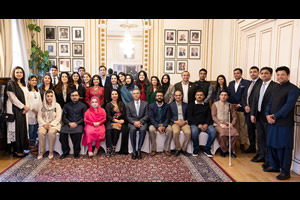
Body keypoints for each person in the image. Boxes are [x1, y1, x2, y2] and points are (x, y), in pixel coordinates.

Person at [264, 66, 299, 180]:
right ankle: (275, 166)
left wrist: (275, 116)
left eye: (282, 74)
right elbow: (269, 103)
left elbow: (288, 106)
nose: (280, 77)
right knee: (271, 146)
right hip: (272, 122)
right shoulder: (276, 88)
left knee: (284, 148)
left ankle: (285, 171)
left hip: (284, 124)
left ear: (288, 75)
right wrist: (267, 114)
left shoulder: (294, 89)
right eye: (278, 75)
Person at [250, 67, 279, 167]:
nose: (263, 75)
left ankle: (268, 160)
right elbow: (254, 101)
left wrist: (272, 116)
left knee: (268, 139)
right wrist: (253, 114)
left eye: (266, 73)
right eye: (262, 73)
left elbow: (276, 103)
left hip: (268, 117)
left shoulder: (275, 86)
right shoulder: (258, 85)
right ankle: (261, 155)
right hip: (258, 116)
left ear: (271, 75)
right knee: (261, 137)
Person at [6, 66, 30, 157]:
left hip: (24, 111)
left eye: (21, 72)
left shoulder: (24, 85)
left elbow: (27, 98)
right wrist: (23, 107)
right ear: (14, 73)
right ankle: (17, 150)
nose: (19, 74)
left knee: (22, 130)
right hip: (15, 110)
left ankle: (22, 149)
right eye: (17, 72)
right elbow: (13, 98)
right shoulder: (11, 84)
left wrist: (27, 108)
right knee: (16, 130)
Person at [187, 90, 217, 157]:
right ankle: (196, 148)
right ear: (195, 96)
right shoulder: (191, 105)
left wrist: (206, 124)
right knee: (194, 132)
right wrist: (198, 124)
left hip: (206, 124)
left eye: (201, 95)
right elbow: (190, 117)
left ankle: (207, 148)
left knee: (213, 132)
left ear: (203, 96)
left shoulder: (206, 105)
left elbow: (209, 116)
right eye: (198, 95)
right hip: (195, 124)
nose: (199, 96)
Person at [59, 89, 87, 159]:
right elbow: (64, 117)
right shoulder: (66, 105)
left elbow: (85, 117)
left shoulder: (83, 106)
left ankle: (76, 152)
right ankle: (65, 151)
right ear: (70, 96)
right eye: (72, 95)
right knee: (62, 133)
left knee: (78, 133)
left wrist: (77, 123)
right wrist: (69, 123)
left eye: (76, 95)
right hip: (68, 124)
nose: (74, 97)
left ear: (79, 96)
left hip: (79, 124)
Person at [227, 68, 250, 152]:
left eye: (237, 73)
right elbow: (228, 95)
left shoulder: (246, 83)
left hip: (241, 107)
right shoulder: (231, 83)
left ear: (241, 74)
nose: (236, 75)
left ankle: (243, 143)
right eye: (235, 73)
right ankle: (234, 143)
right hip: (232, 107)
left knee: (242, 126)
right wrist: (231, 104)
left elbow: (246, 95)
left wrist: (240, 104)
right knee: (234, 125)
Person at [211, 91, 239, 158]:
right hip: (218, 124)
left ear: (227, 97)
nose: (223, 96)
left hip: (228, 124)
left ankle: (231, 150)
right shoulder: (215, 104)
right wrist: (220, 124)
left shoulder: (230, 105)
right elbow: (213, 116)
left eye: (225, 95)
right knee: (222, 134)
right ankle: (224, 150)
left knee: (236, 134)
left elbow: (234, 116)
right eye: (222, 95)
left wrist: (232, 124)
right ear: (219, 96)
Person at [241, 66, 262, 154]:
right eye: (251, 72)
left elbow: (258, 99)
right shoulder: (249, 83)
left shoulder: (261, 83)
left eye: (254, 72)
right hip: (248, 111)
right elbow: (244, 96)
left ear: (258, 73)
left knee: (260, 133)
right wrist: (245, 106)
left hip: (257, 113)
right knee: (250, 130)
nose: (252, 74)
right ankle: (252, 147)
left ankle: (261, 152)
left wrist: (252, 108)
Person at [37, 90, 62, 159]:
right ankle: (42, 151)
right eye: (48, 96)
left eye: (51, 96)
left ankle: (51, 151)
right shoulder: (41, 105)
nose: (49, 98)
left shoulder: (57, 105)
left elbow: (58, 117)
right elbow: (39, 117)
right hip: (43, 124)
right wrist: (44, 124)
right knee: (41, 132)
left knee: (51, 132)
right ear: (45, 97)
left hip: (54, 125)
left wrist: (51, 124)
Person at [126, 88, 149, 160]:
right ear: (132, 95)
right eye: (134, 93)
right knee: (132, 130)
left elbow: (147, 115)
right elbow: (128, 116)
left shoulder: (145, 103)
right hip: (132, 122)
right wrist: (134, 122)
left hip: (142, 122)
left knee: (143, 130)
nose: (136, 95)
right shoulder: (128, 104)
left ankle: (139, 150)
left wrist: (140, 122)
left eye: (137, 93)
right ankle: (134, 150)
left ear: (140, 94)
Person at [148, 90, 173, 156]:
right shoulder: (151, 106)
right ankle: (153, 149)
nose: (159, 97)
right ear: (155, 97)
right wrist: (157, 127)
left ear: (163, 97)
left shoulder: (167, 106)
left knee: (170, 130)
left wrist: (164, 126)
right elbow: (151, 118)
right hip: (154, 123)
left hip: (164, 123)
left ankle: (166, 149)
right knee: (151, 129)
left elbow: (168, 117)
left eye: (161, 96)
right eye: (158, 96)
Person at [105, 89, 127, 157]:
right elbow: (108, 116)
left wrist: (123, 120)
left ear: (118, 95)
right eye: (113, 94)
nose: (114, 95)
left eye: (116, 94)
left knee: (116, 130)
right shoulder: (108, 104)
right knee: (108, 130)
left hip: (119, 122)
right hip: (111, 121)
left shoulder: (121, 104)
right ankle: (108, 148)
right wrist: (116, 120)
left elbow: (124, 114)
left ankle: (113, 147)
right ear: (111, 96)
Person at [169, 90, 191, 157]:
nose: (178, 96)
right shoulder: (170, 105)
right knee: (175, 132)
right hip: (175, 122)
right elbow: (168, 116)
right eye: (176, 95)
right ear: (174, 96)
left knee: (188, 133)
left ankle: (184, 149)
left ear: (182, 96)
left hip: (184, 122)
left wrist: (186, 121)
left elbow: (189, 116)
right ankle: (178, 149)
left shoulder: (186, 105)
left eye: (179, 95)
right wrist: (175, 121)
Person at [27, 75, 42, 154]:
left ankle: (36, 146)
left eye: (35, 80)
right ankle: (31, 147)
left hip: (38, 113)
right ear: (29, 81)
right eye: (32, 80)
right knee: (31, 129)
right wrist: (34, 111)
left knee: (36, 129)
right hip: (30, 113)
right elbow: (28, 103)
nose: (34, 82)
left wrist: (39, 111)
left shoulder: (37, 91)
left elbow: (40, 102)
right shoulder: (27, 91)